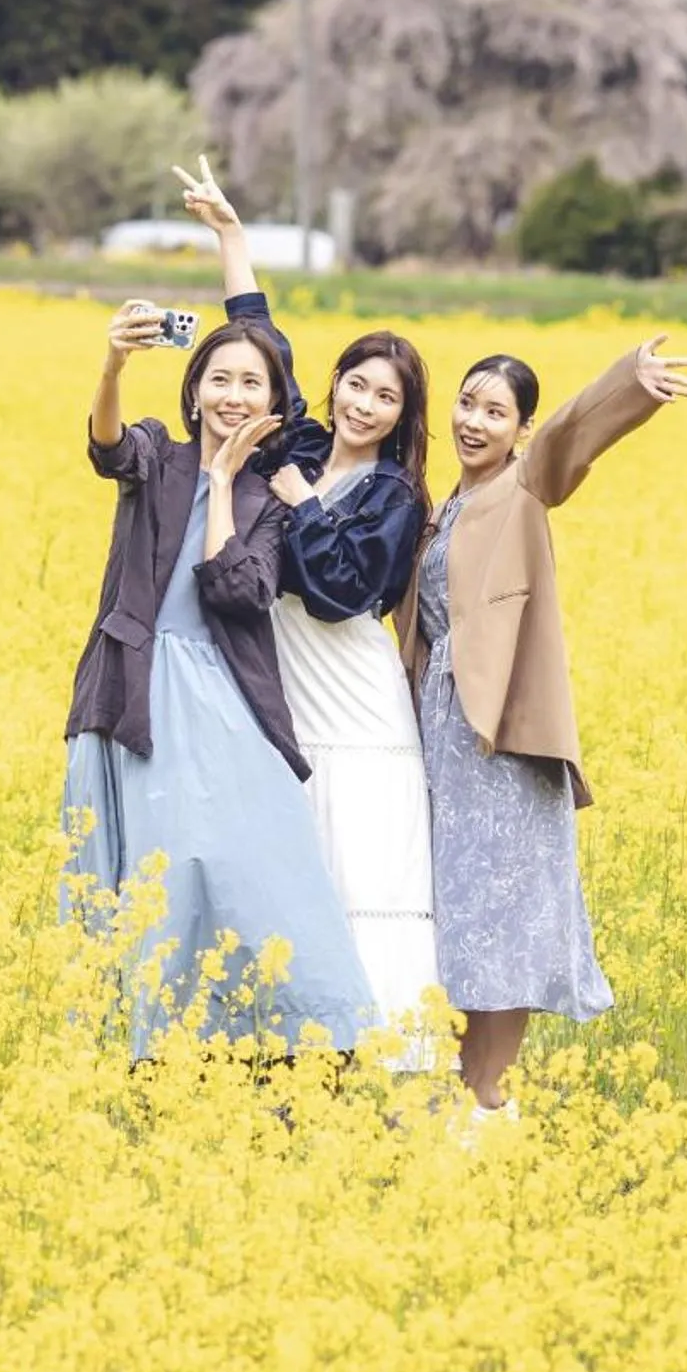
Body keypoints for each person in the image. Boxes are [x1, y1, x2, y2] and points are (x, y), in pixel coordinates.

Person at [173, 158, 441, 1058]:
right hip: (280, 666)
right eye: (354, 386)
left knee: (361, 855)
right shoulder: (304, 440)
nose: (363, 405)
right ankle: (292, 1033)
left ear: (404, 413)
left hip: (350, 684)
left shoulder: (394, 493)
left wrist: (301, 500)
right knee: (296, 850)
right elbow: (257, 343)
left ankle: (384, 1039)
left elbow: (342, 592)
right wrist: (231, 239)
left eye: (384, 396)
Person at [60, 298, 377, 1059]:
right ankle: (157, 1049)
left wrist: (231, 476)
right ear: (194, 387)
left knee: (262, 855)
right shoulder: (155, 457)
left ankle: (299, 1039)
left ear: (275, 403)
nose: (233, 397)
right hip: (136, 691)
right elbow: (105, 447)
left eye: (252, 385)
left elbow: (234, 589)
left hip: (226, 695)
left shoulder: (268, 499)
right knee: (159, 876)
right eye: (220, 380)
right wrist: (113, 361)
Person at [396, 336, 687, 1117]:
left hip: (501, 740)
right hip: (441, 734)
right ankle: (462, 1094)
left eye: (495, 412)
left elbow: (572, 433)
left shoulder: (523, 486)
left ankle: (487, 1097)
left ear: (519, 429)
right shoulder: (439, 508)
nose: (473, 421)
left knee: (507, 915)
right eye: (466, 403)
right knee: (461, 917)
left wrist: (629, 383)